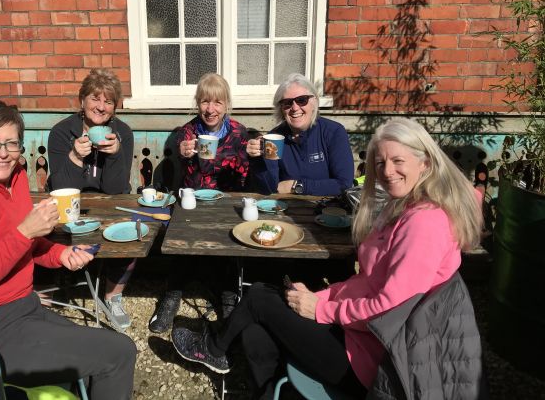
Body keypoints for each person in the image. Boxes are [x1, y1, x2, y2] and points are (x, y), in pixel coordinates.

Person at [172, 117, 484, 399]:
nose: (387, 171)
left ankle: (213, 348)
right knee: (256, 329)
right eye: (380, 162)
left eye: (398, 161)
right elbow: (367, 281)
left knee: (259, 297)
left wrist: (322, 310)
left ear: (425, 163)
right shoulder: (401, 206)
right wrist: (320, 296)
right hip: (359, 335)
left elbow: (388, 310)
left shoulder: (425, 222)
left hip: (376, 361)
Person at [0, 98, 136, 398]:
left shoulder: (14, 176)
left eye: (11, 143)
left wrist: (60, 254)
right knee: (119, 352)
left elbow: (24, 242)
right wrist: (25, 231)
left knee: (96, 356)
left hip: (21, 308)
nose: (3, 153)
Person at [149, 73, 249, 333]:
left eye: (217, 102)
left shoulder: (239, 133)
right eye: (205, 101)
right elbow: (190, 167)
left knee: (231, 239)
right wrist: (184, 152)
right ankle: (173, 294)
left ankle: (228, 294)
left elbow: (244, 172)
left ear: (226, 104)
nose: (210, 109)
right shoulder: (188, 131)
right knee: (181, 236)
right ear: (197, 103)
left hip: (226, 202)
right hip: (193, 200)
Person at [47, 68, 136, 328]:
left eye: (108, 101)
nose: (101, 106)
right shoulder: (62, 133)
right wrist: (75, 157)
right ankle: (49, 291)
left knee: (133, 231)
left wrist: (115, 153)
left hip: (109, 203)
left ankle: (113, 295)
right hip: (70, 204)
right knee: (43, 229)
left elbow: (115, 189)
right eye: (95, 98)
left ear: (115, 108)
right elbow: (62, 187)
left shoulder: (122, 133)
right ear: (82, 100)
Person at [247, 73, 354, 196]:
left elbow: (344, 184)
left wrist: (297, 186)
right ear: (281, 108)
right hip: (285, 206)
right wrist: (257, 160)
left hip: (327, 206)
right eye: (287, 103)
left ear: (314, 102)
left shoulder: (333, 132)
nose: (295, 108)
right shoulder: (274, 138)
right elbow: (268, 190)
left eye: (302, 100)